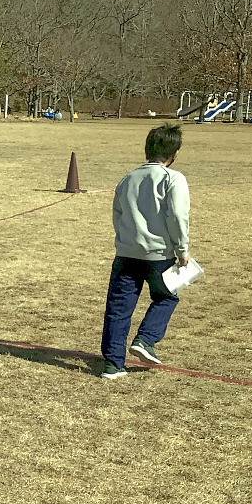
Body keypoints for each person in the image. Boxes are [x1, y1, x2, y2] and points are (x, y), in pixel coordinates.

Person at [99, 122, 190, 379]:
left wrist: (125, 240)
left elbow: (117, 215)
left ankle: (112, 365)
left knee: (118, 308)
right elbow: (178, 216)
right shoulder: (174, 179)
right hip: (159, 255)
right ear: (175, 153)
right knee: (166, 297)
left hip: (126, 253)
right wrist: (182, 249)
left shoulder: (127, 179)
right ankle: (146, 339)